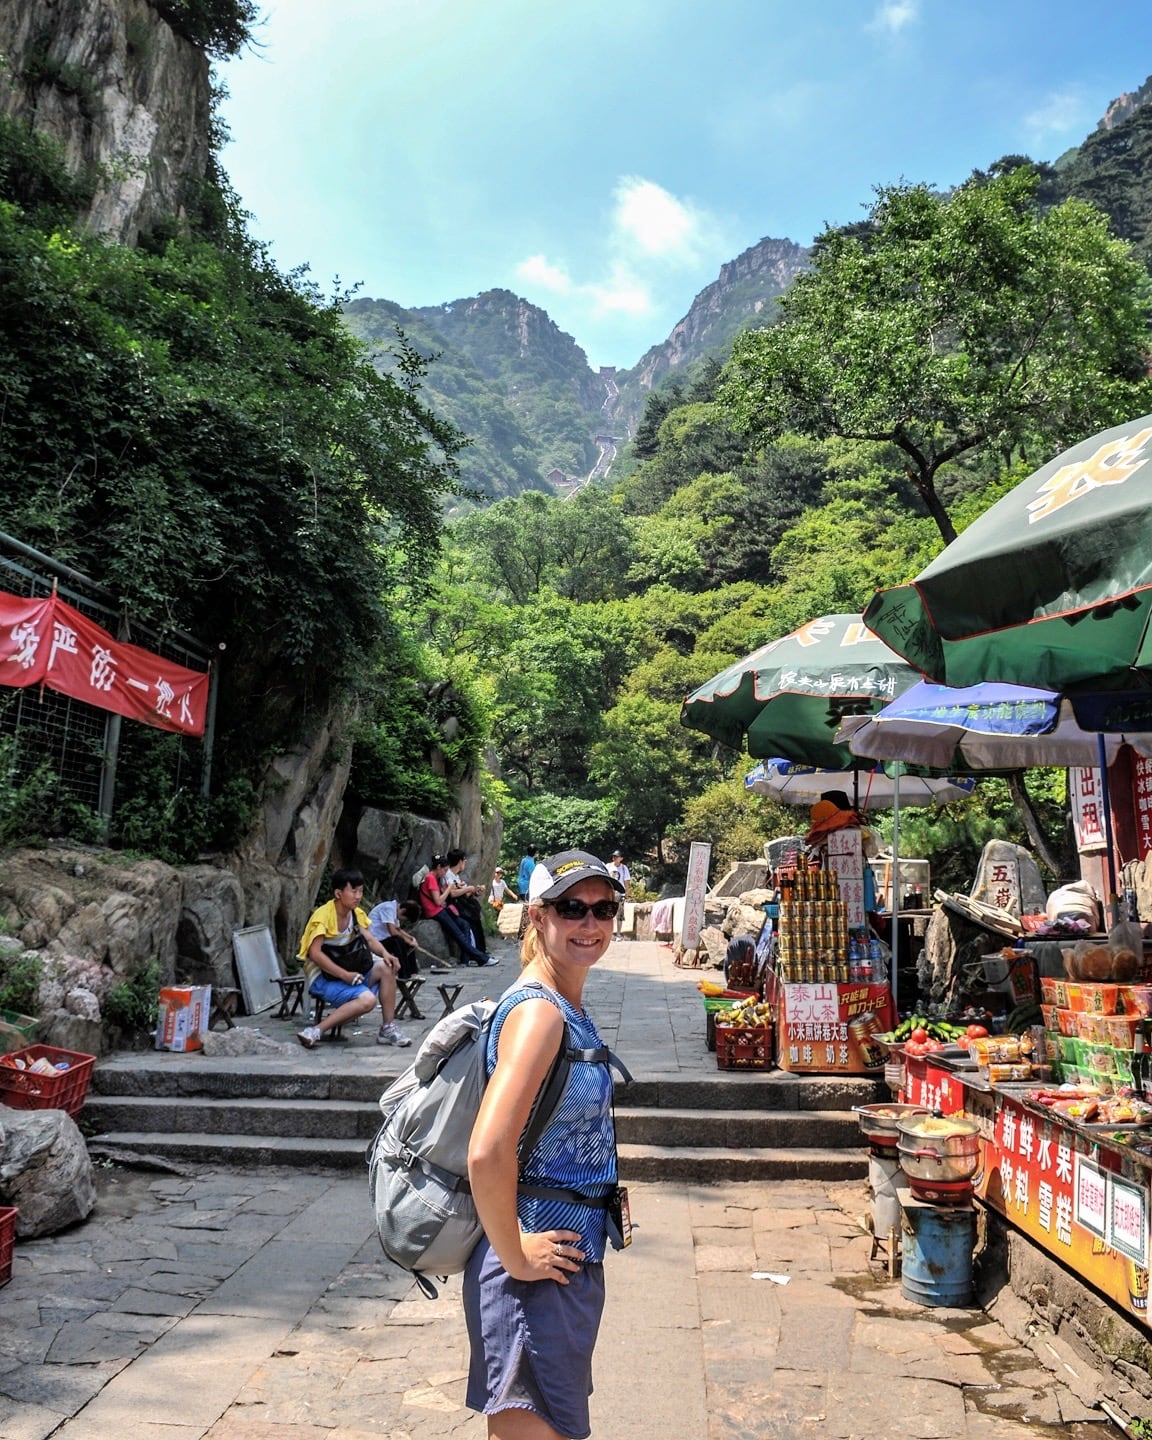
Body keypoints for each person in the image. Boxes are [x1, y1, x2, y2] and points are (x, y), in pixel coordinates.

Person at [464, 849, 626, 1439]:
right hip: (533, 1271)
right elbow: (487, 1150)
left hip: (560, 1267)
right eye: (571, 908)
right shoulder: (540, 1014)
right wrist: (515, 1256)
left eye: (603, 908)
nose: (590, 924)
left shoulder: (563, 1004)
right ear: (537, 916)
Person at [295, 867, 412, 1049]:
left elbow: (370, 939)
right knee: (368, 1001)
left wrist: (386, 954)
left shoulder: (356, 914)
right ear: (338, 893)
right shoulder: (323, 916)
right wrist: (344, 975)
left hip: (350, 969)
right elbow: (315, 954)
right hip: (325, 977)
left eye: (361, 891)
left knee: (387, 967)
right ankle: (315, 1030)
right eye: (354, 891)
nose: (358, 896)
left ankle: (387, 1028)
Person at [419, 854, 498, 967]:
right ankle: (482, 958)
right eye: (444, 870)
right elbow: (438, 901)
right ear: (438, 867)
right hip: (435, 911)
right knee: (458, 934)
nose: (445, 873)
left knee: (464, 925)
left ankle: (465, 959)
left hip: (440, 910)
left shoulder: (433, 878)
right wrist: (449, 889)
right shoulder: (431, 878)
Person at [444, 847, 489, 955]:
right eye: (464, 860)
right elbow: (452, 893)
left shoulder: (456, 876)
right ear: (460, 861)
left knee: (475, 917)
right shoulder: (448, 875)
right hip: (454, 906)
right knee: (471, 918)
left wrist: (474, 891)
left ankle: (480, 949)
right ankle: (476, 951)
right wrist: (468, 889)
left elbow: (462, 892)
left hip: (463, 903)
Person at [367, 896, 421, 978]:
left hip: (385, 939)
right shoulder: (388, 908)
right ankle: (404, 975)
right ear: (403, 911)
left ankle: (413, 972)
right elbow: (393, 931)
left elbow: (398, 929)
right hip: (376, 941)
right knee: (397, 941)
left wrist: (410, 938)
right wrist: (408, 941)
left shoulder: (395, 911)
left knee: (407, 945)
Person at [607, 849, 631, 938]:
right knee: (608, 914)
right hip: (609, 893)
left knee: (619, 915)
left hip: (620, 893)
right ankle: (609, 934)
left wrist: (628, 894)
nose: (614, 858)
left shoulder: (624, 868)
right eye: (614, 856)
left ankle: (618, 934)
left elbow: (626, 882)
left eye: (616, 857)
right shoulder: (608, 867)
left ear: (621, 858)